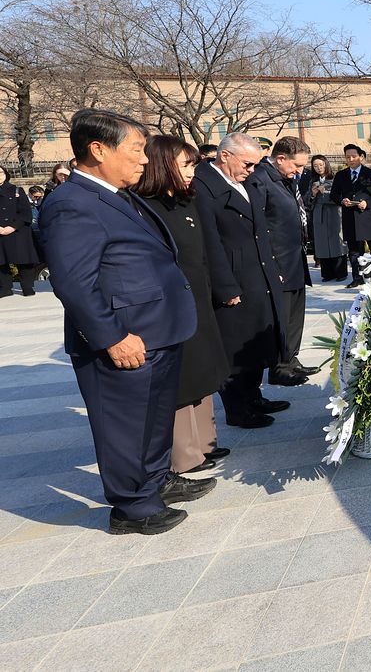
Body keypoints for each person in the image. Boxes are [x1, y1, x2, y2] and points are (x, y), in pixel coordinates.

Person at [41, 109, 210, 535]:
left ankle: (154, 482)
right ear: (98, 150)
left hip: (156, 330)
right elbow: (74, 283)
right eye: (136, 149)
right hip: (124, 338)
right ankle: (132, 507)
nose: (144, 159)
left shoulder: (118, 195)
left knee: (153, 419)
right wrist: (112, 337)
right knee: (125, 425)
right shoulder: (71, 204)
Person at [135, 135, 232, 475]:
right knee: (183, 379)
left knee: (204, 371)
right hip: (171, 306)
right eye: (186, 165)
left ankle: (205, 444)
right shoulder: (147, 206)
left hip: (199, 298)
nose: (192, 172)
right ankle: (185, 456)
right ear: (163, 166)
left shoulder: (185, 200)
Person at [193, 133, 288, 429]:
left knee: (255, 340)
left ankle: (254, 396)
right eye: (247, 164)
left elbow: (261, 230)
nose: (252, 170)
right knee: (234, 346)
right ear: (225, 156)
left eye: (255, 164)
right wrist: (224, 286)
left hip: (257, 272)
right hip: (233, 277)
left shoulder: (244, 181)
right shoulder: (203, 187)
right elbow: (210, 243)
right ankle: (237, 408)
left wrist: (273, 266)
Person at [247, 136, 319, 386]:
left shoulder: (285, 179)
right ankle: (280, 366)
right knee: (282, 317)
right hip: (278, 261)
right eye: (296, 165)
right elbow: (258, 226)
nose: (299, 171)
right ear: (280, 158)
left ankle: (291, 358)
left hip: (294, 258)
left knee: (295, 315)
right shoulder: (261, 179)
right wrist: (271, 264)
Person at [329, 143, 371, 288]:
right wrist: (342, 201)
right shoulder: (341, 175)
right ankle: (357, 278)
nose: (351, 159)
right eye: (348, 157)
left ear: (361, 157)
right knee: (354, 251)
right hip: (350, 217)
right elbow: (334, 194)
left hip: (367, 216)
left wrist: (367, 203)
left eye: (354, 156)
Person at [0, 166, 40, 297]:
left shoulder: (17, 190)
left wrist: (12, 227)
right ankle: (5, 288)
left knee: (24, 260)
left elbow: (25, 213)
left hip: (18, 230)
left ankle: (27, 287)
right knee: (1, 261)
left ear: (6, 174)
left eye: (1, 172)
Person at [305, 155, 346, 281]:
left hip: (333, 213)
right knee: (322, 243)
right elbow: (306, 201)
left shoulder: (335, 179)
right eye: (315, 166)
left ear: (326, 164)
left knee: (336, 243)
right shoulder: (312, 181)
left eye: (321, 165)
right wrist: (313, 194)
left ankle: (340, 273)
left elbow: (340, 198)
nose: (319, 168)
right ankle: (327, 274)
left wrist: (325, 193)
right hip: (319, 214)